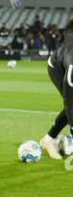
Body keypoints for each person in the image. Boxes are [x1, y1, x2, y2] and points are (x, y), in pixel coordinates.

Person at [40, 19, 73, 159]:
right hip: (57, 67)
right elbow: (70, 101)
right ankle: (48, 140)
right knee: (72, 104)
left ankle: (48, 139)